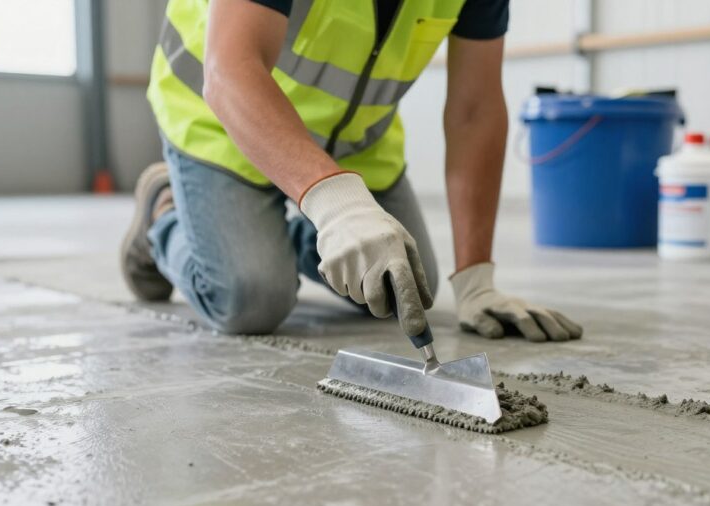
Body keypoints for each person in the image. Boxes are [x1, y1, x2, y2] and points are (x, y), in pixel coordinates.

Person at [121, 0, 582, 343]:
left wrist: (477, 277)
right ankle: (163, 211)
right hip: (225, 126)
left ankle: (305, 233)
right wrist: (337, 206)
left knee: (405, 287)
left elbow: (474, 110)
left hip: (353, 145)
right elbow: (232, 69)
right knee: (252, 298)